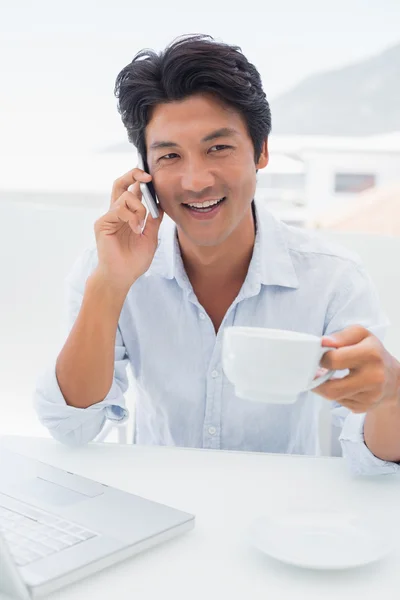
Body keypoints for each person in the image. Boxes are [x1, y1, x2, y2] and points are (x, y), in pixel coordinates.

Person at [34, 34, 400, 476]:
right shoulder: (108, 269)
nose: (195, 180)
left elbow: (374, 462)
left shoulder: (333, 279)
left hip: (282, 519)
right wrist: (110, 285)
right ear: (144, 173)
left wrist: (392, 395)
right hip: (159, 508)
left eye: (218, 148)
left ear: (261, 151)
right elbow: (71, 426)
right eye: (170, 155)